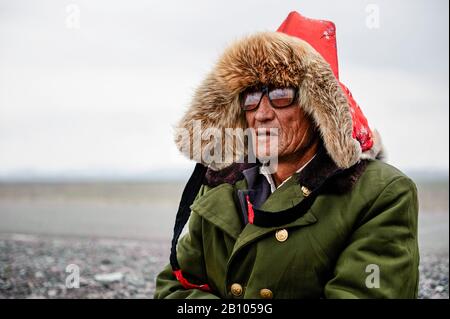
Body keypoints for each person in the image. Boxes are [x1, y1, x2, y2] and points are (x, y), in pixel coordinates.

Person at [154, 11, 419, 299]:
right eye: (251, 96)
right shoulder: (222, 183)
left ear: (318, 109)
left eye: (281, 94)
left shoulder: (382, 194)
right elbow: (175, 286)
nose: (262, 114)